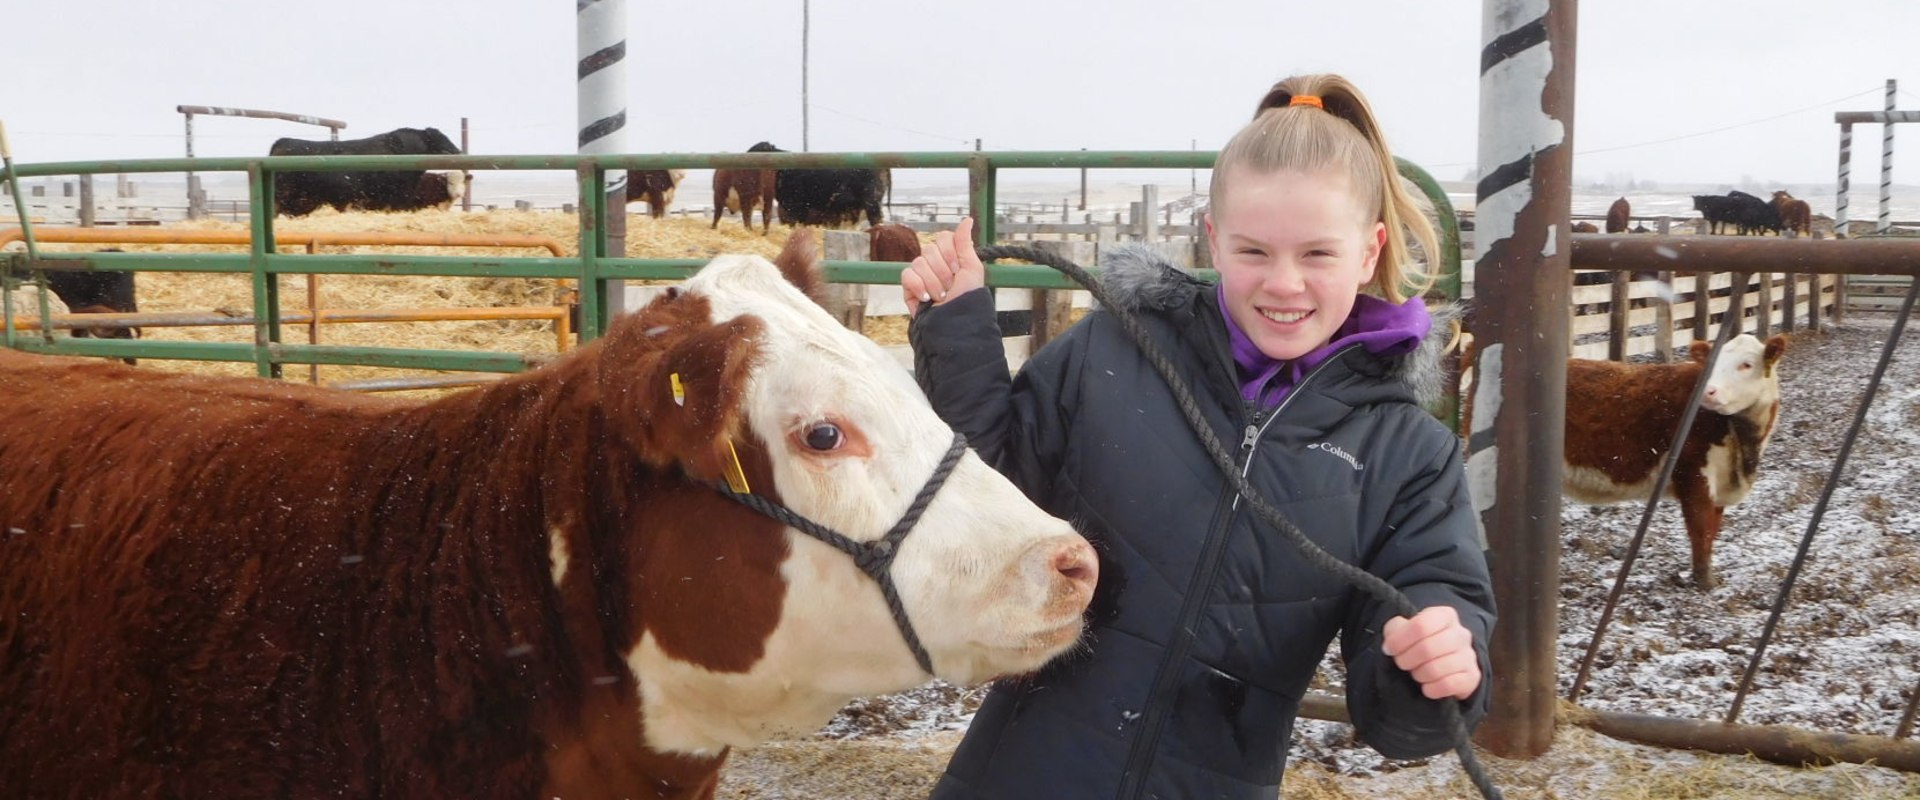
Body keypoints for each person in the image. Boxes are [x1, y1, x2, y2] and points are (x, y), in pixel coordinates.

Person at [899, 73, 1495, 799]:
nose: (1284, 284)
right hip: (1020, 776)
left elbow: (1401, 709)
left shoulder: (1405, 454)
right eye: (1253, 252)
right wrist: (957, 327)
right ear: (1213, 241)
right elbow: (989, 489)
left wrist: (1433, 664)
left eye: (1317, 254)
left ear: (1369, 251)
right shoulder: (1115, 351)